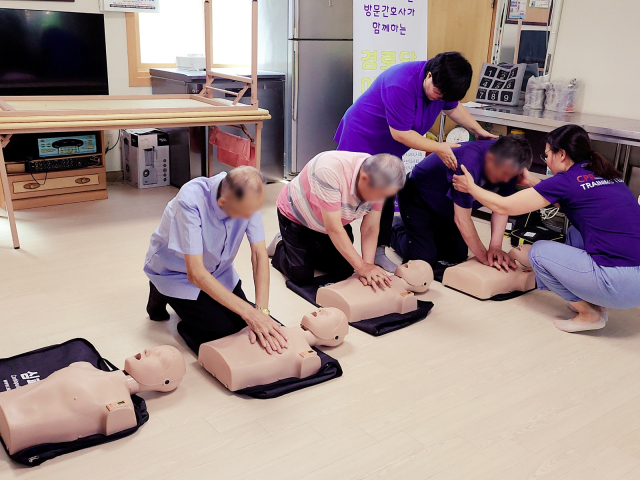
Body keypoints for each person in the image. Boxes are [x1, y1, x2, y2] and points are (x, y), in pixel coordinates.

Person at [452, 124, 640, 332]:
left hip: (617, 284)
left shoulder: (566, 180)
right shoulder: (606, 173)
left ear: (561, 154)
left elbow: (504, 206)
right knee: (575, 232)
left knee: (539, 253)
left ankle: (589, 313)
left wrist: (471, 188)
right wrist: (533, 182)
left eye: (547, 155)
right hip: (635, 283)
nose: (547, 161)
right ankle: (596, 302)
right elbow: (573, 201)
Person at [332, 52, 499, 271]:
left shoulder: (442, 84)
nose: (439, 99)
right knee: (347, 194)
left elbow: (453, 107)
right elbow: (401, 134)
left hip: (389, 149)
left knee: (385, 196)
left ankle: (378, 251)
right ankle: (314, 230)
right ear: (429, 76)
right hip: (364, 136)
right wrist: (439, 147)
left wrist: (477, 131)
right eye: (437, 93)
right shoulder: (400, 83)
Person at [144, 167, 288, 355]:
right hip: (177, 273)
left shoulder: (246, 195)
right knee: (222, 332)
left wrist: (261, 310)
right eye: (245, 213)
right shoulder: (190, 200)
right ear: (222, 202)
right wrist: (250, 312)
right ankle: (160, 289)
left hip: (219, 271)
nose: (250, 217)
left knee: (243, 324)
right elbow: (195, 274)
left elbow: (259, 254)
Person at [388, 135, 532, 274]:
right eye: (505, 173)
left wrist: (495, 247)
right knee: (425, 260)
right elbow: (462, 219)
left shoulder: (510, 166)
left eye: (511, 175)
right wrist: (485, 258)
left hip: (447, 205)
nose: (507, 179)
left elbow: (501, 207)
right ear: (490, 159)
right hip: (417, 197)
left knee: (456, 255)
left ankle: (425, 233)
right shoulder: (467, 164)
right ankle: (395, 229)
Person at [269, 151, 405, 290]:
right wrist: (362, 267)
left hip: (334, 221)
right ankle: (281, 242)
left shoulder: (379, 179)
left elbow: (370, 228)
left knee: (344, 270)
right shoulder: (328, 170)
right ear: (364, 179)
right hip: (298, 218)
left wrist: (367, 267)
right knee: (300, 275)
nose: (380, 199)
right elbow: (333, 229)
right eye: (381, 195)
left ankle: (309, 249)